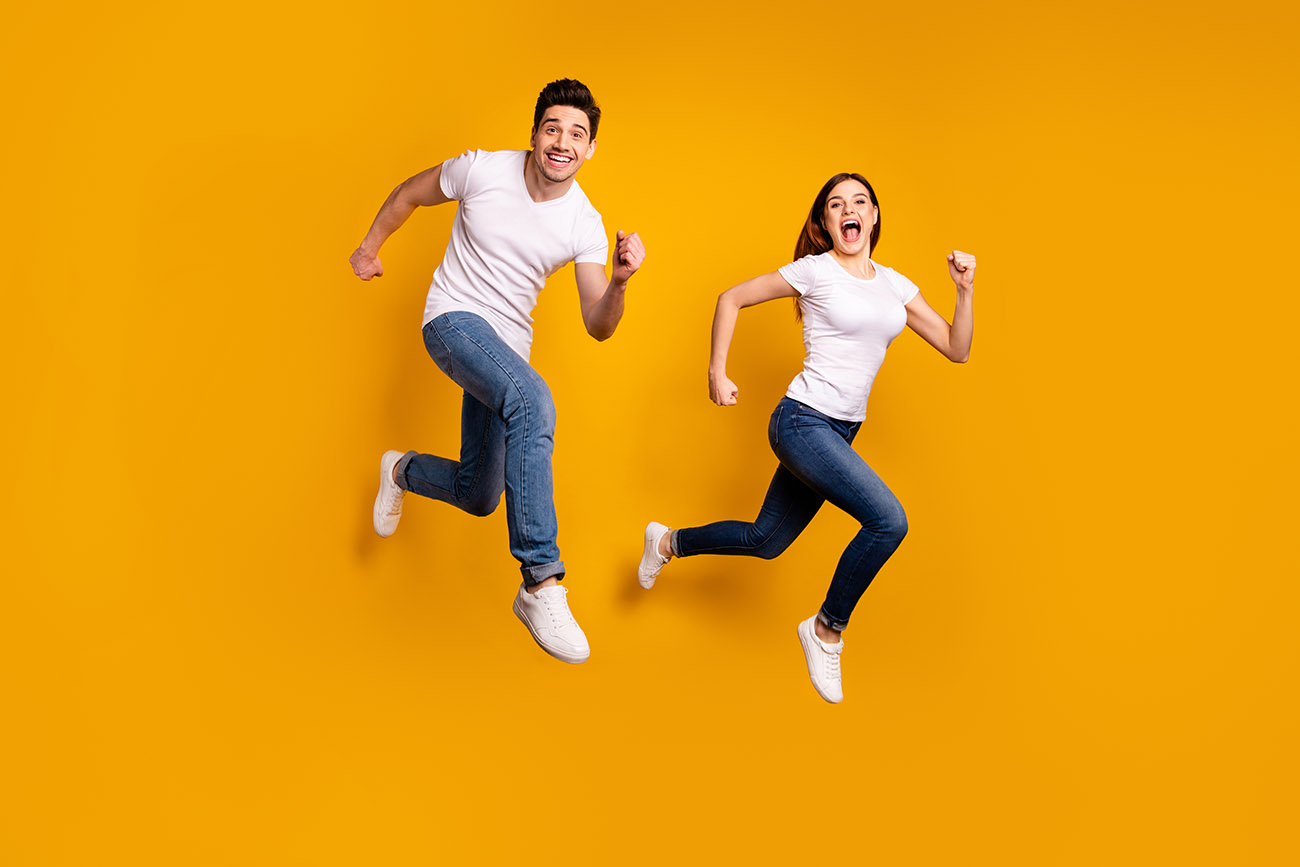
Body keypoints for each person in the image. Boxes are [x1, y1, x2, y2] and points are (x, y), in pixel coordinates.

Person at [637, 172, 975, 702]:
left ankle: (665, 541)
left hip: (840, 432)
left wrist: (964, 290)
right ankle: (826, 630)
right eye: (836, 204)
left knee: (765, 540)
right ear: (825, 224)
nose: (850, 210)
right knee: (888, 521)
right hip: (802, 421)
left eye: (860, 201)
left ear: (874, 217)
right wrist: (716, 373)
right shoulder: (815, 271)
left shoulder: (894, 285)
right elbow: (731, 298)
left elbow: (957, 348)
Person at [350, 79, 645, 664]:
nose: (563, 142)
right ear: (534, 134)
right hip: (452, 320)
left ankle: (401, 471)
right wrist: (370, 246)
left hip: (505, 352)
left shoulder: (584, 223)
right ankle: (541, 581)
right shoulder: (480, 169)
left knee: (479, 494)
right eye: (553, 128)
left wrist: (618, 283)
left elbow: (597, 323)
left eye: (577, 135)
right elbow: (409, 194)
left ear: (590, 151)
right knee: (534, 400)